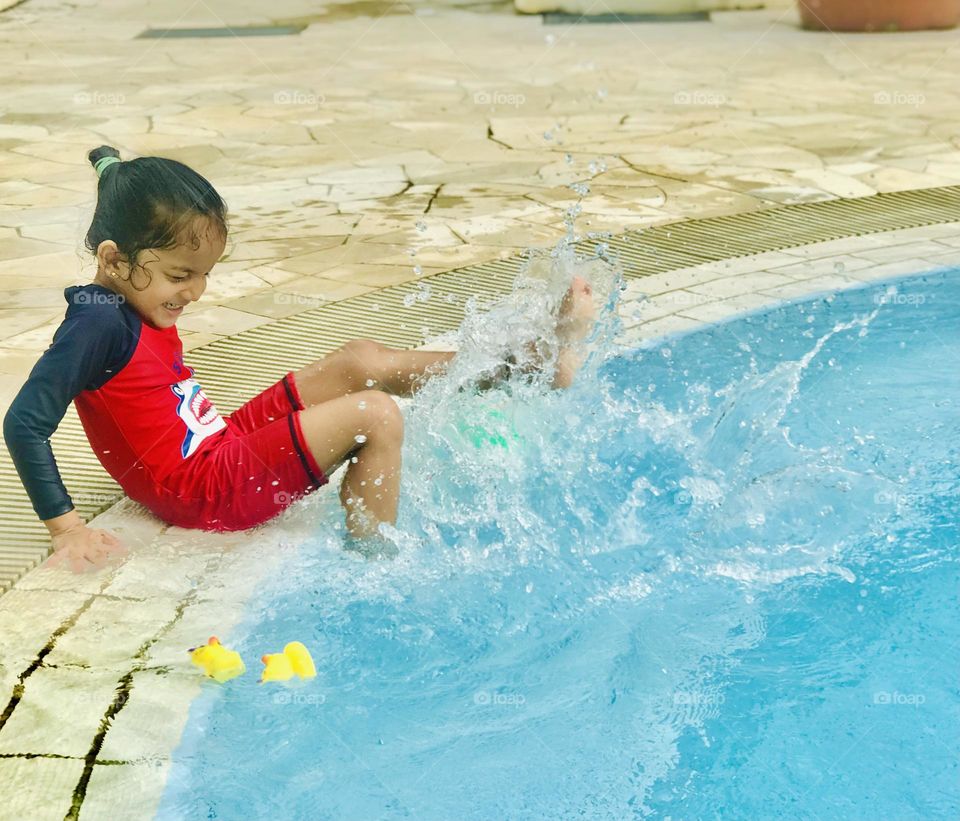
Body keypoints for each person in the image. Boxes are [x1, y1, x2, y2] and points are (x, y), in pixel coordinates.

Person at [2, 146, 596, 572]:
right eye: (180, 275)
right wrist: (68, 527)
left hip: (218, 449)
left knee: (357, 360)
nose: (194, 292)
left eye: (204, 275)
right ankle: (379, 571)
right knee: (376, 413)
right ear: (112, 259)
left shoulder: (126, 302)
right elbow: (23, 422)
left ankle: (531, 365)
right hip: (205, 491)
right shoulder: (96, 324)